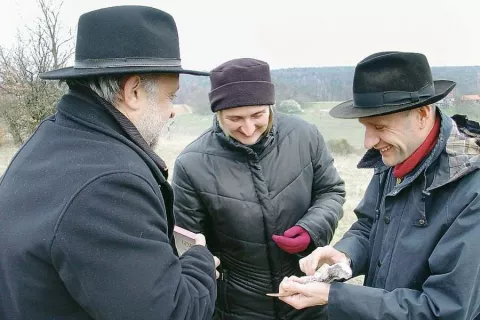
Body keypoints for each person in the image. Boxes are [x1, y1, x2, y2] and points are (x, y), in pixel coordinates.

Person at [0, 6, 220, 320]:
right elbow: (172, 313)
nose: (172, 111)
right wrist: (199, 259)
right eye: (170, 96)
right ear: (132, 92)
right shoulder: (111, 184)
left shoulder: (53, 138)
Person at [277, 51, 480, 319]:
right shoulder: (396, 156)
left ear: (421, 114)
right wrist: (344, 256)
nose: (368, 141)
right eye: (365, 126)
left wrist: (334, 296)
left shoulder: (471, 188)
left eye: (379, 126)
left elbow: (444, 310)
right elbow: (370, 226)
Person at [171, 58, 346, 319]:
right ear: (217, 113)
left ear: (270, 106)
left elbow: (331, 191)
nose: (248, 128)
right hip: (237, 308)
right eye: (235, 118)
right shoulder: (192, 163)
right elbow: (187, 243)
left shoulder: (305, 136)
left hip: (308, 298)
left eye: (257, 115)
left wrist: (311, 228)